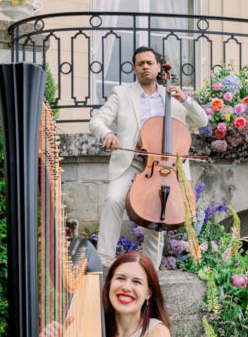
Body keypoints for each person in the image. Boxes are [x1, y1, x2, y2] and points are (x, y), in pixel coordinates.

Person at [88, 46, 208, 269]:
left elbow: (202, 122)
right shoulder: (122, 93)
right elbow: (97, 121)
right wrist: (107, 133)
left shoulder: (172, 97)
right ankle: (104, 258)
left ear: (158, 68)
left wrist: (186, 100)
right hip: (131, 161)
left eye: (149, 63)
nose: (145, 67)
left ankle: (150, 268)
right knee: (114, 199)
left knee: (159, 215)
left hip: (166, 166)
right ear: (134, 68)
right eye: (140, 63)